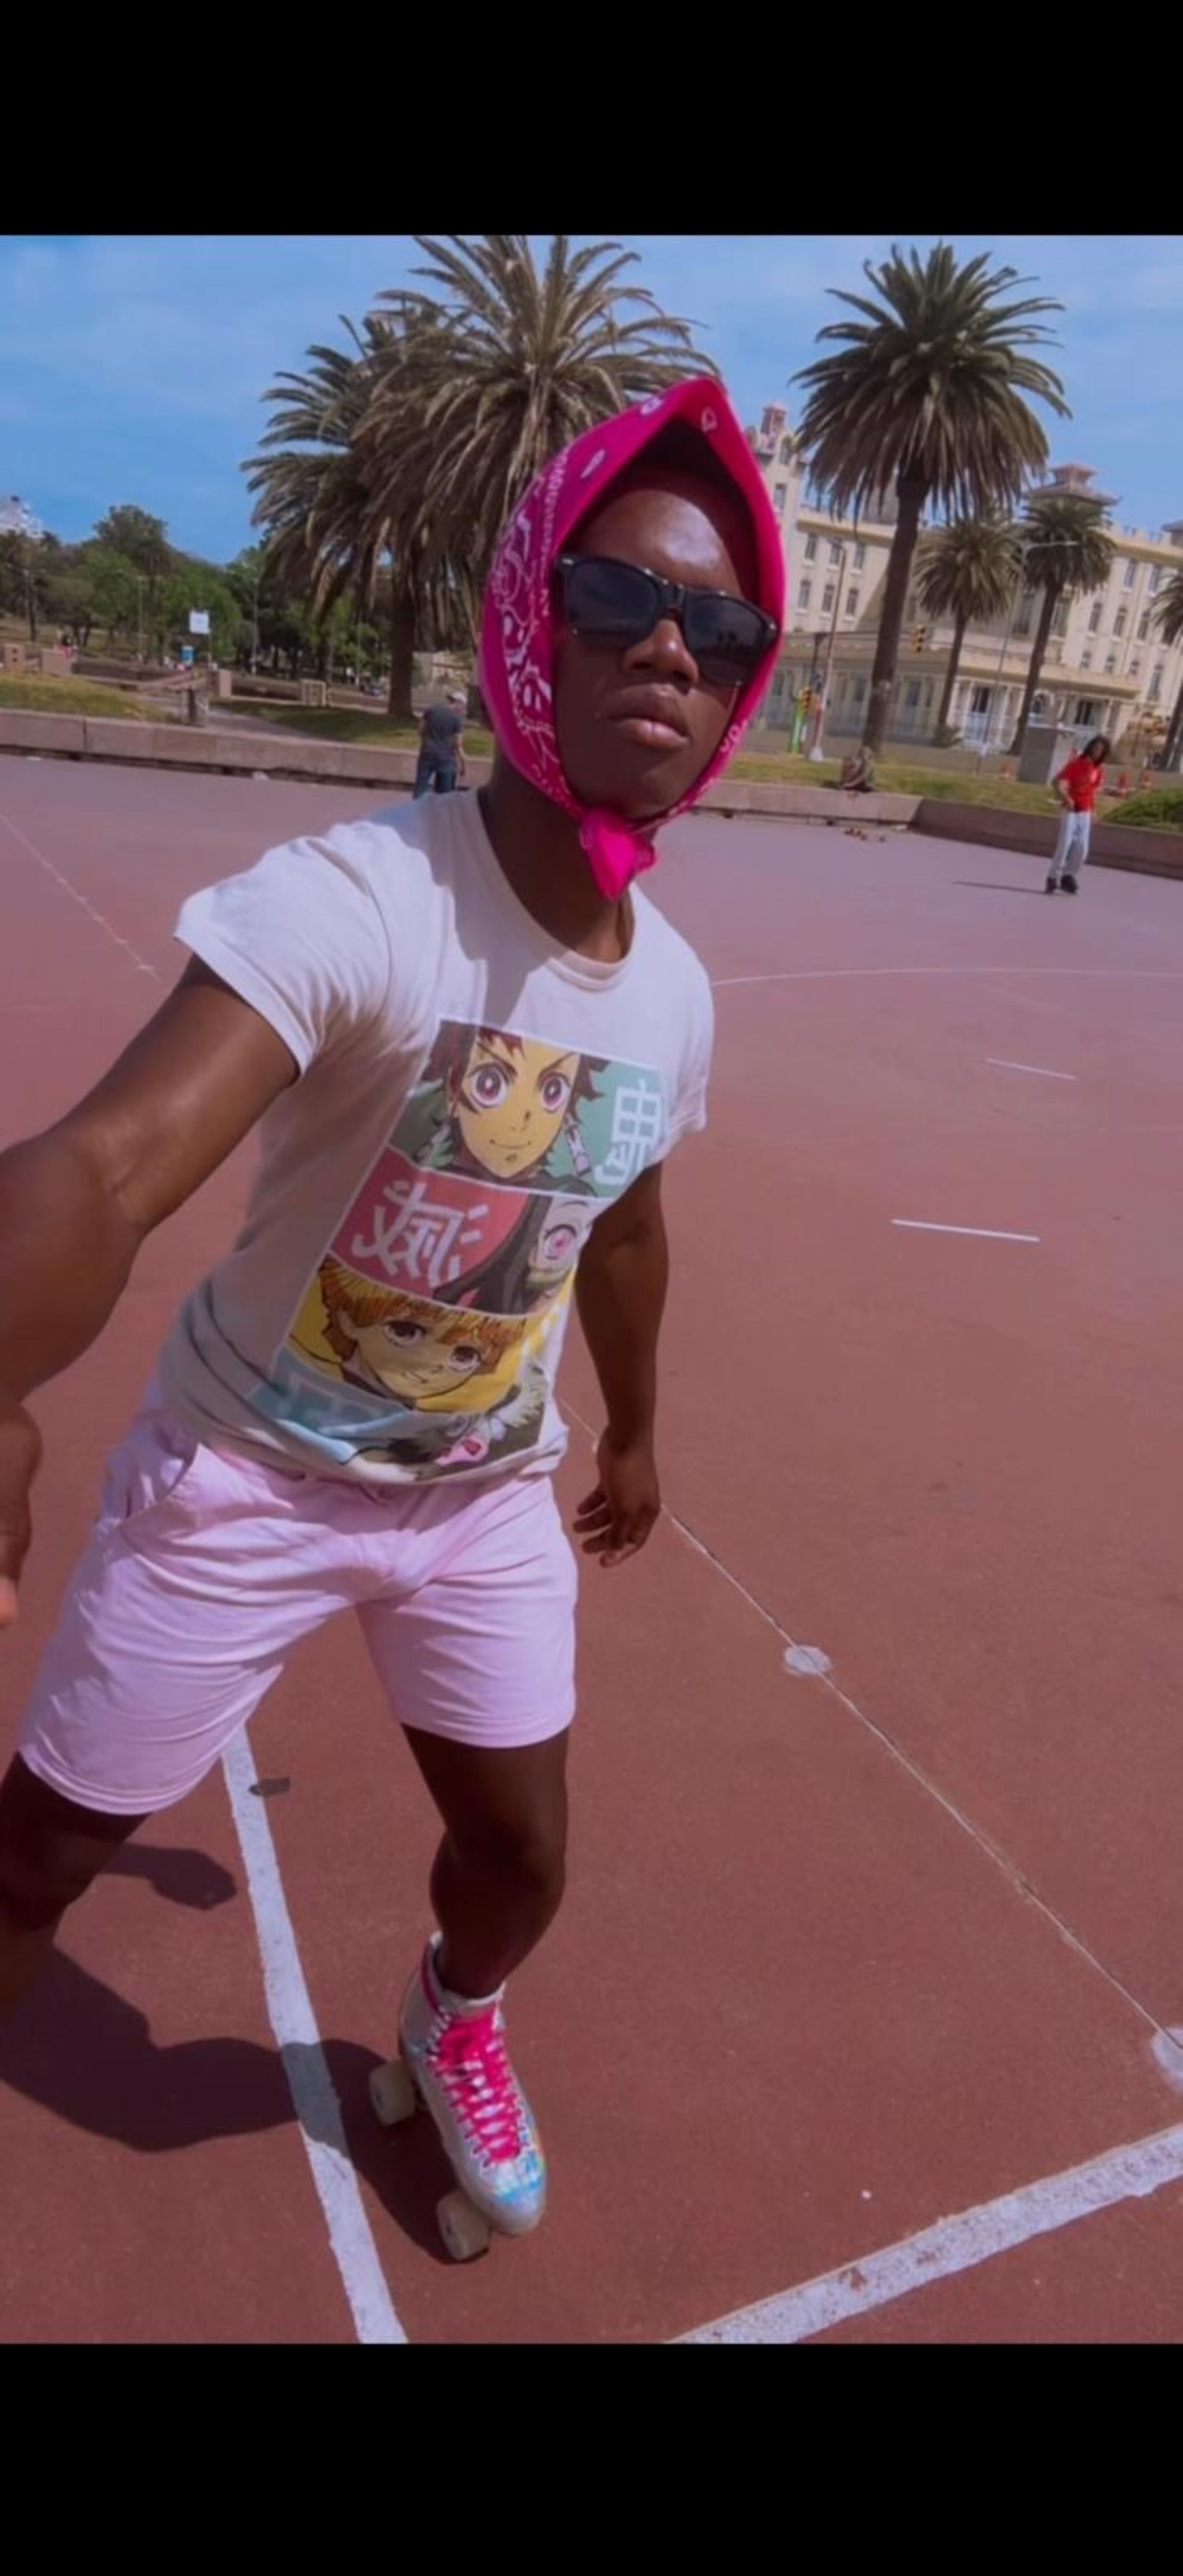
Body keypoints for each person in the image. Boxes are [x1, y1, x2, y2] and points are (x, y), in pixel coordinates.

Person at [0, 378, 783, 2250]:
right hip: (242, 1480)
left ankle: (451, 2013)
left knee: (522, 1859)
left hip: (479, 1501)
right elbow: (105, 1166)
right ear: (533, 611)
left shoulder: (667, 993)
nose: (672, 649)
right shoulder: (360, 898)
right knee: (37, 1859)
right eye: (624, 600)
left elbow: (625, 1217)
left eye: (723, 627)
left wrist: (643, 1424)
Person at [1046, 732, 1110, 894]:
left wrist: (1093, 811)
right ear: (1090, 749)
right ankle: (1053, 877)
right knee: (1065, 845)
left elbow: (1091, 792)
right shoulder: (1077, 764)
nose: (1097, 753)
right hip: (1071, 811)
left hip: (1086, 812)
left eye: (1101, 751)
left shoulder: (1099, 770)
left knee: (1083, 849)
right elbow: (1056, 783)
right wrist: (1066, 798)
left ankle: (1068, 877)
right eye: (1095, 749)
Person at [413, 689, 468, 798]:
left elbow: (420, 730)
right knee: (444, 795)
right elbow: (458, 745)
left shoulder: (432, 710)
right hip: (446, 758)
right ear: (459, 704)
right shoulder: (457, 719)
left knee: (421, 787)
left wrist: (428, 742)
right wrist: (464, 765)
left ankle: (416, 811)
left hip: (427, 753)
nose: (463, 710)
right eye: (464, 707)